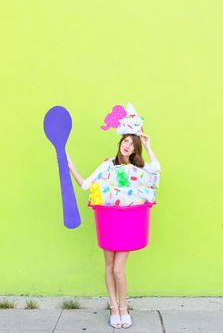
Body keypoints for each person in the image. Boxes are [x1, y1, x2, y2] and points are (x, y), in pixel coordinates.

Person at [66, 132, 161, 329]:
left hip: (127, 222)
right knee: (109, 265)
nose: (128, 146)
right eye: (126, 141)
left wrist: (148, 145)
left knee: (118, 269)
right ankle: (113, 307)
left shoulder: (137, 169)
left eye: (133, 145)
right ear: (120, 142)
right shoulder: (107, 165)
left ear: (136, 150)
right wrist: (70, 165)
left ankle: (124, 307)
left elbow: (156, 173)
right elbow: (86, 185)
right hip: (108, 220)